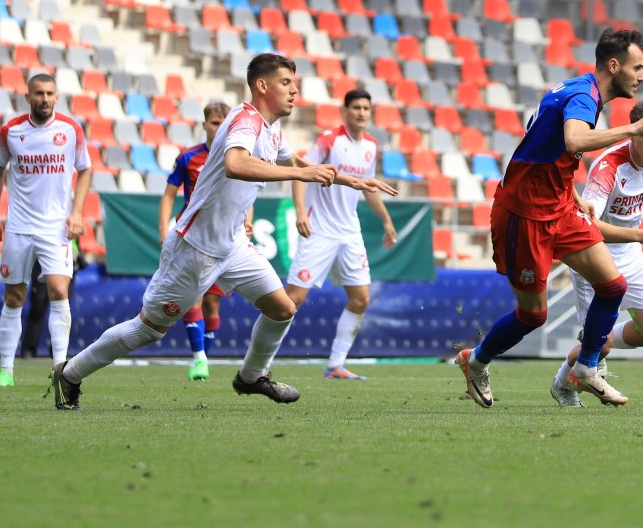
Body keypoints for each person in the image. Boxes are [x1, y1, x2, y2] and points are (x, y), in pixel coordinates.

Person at [47, 53, 398, 410]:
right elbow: (236, 164)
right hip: (194, 249)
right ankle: (71, 373)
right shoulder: (245, 120)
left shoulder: (272, 128)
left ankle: (251, 377)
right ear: (262, 85)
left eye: (294, 83)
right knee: (148, 329)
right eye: (286, 83)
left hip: (233, 245)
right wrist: (300, 175)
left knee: (283, 308)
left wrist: (349, 179)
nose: (295, 91)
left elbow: (295, 162)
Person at [454, 28, 643, 408]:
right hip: (524, 215)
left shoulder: (581, 90)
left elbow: (545, 149)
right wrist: (633, 127)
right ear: (614, 65)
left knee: (612, 286)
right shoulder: (584, 96)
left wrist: (575, 194)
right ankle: (476, 360)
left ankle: (584, 368)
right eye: (638, 67)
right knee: (533, 315)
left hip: (560, 207)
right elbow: (573, 141)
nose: (642, 76)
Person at [550, 100, 643, 407]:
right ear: (632, 134)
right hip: (593, 253)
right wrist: (641, 235)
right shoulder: (608, 168)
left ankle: (594, 342)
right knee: (600, 344)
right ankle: (562, 383)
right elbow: (589, 227)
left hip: (630, 252)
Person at [0, 73, 92, 387]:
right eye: (39, 94)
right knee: (14, 296)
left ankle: (60, 367)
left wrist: (76, 213)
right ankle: (6, 370)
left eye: (50, 93)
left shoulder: (70, 130)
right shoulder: (12, 131)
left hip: (55, 227)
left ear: (57, 97)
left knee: (59, 290)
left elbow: (85, 171)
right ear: (28, 97)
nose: (44, 99)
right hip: (18, 226)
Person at [285, 89, 397, 380]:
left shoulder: (371, 146)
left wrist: (386, 220)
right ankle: (260, 363)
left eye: (366, 108)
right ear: (344, 111)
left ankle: (335, 365)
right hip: (319, 229)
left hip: (349, 231)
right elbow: (300, 170)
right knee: (291, 301)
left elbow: (367, 187)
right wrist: (299, 211)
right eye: (356, 107)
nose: (361, 112)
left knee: (361, 299)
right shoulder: (328, 139)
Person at [158, 102, 255, 381]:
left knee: (213, 304)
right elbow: (168, 194)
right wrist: (164, 227)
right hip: (195, 237)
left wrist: (247, 218)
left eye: (224, 122)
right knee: (194, 299)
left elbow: (247, 193)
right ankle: (199, 359)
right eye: (214, 123)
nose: (219, 127)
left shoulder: (241, 157)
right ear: (204, 125)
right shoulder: (189, 157)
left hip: (225, 237)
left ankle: (203, 357)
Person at [21, 240, 85, 358]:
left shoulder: (72, 221)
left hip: (67, 256)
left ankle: (58, 352)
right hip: (45, 253)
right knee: (38, 306)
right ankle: (29, 348)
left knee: (63, 306)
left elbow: (81, 231)